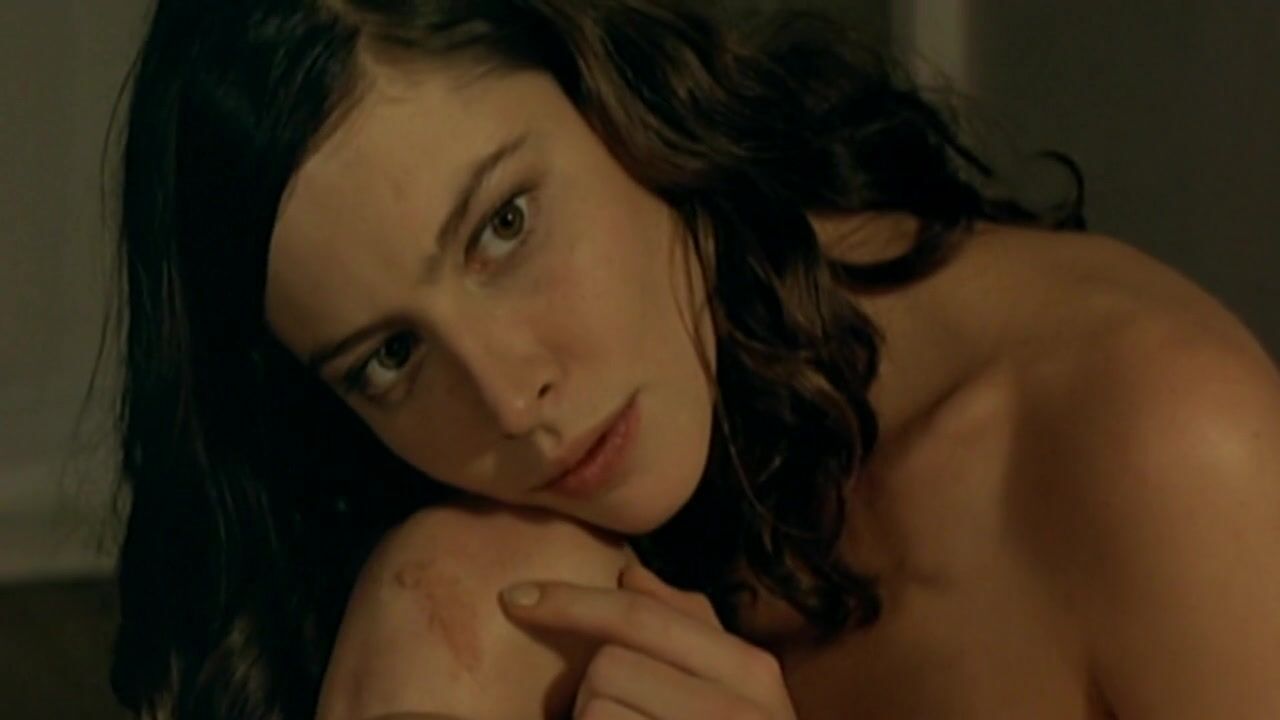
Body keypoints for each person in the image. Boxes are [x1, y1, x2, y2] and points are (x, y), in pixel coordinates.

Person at [107, 0, 1280, 718]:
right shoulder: (454, 558)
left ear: (612, 88)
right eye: (389, 358)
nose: (510, 400)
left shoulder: (1156, 444)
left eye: (504, 225)